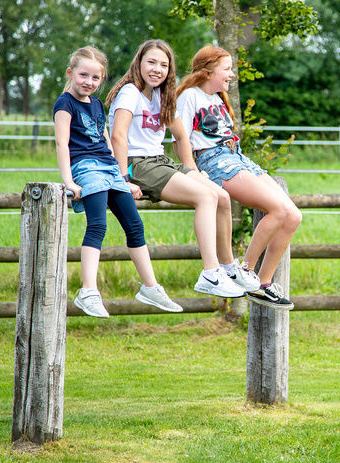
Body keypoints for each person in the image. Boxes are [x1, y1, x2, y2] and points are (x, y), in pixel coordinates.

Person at [106, 39, 260, 299]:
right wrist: (123, 179)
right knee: (205, 196)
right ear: (139, 63)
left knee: (221, 195)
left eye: (163, 65)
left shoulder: (161, 95)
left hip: (159, 160)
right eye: (151, 62)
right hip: (136, 164)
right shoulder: (130, 92)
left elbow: (181, 135)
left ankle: (227, 268)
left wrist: (192, 170)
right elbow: (118, 136)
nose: (157, 69)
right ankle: (210, 273)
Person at [53, 46, 182, 318]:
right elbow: (62, 144)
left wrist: (125, 179)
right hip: (86, 168)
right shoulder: (65, 103)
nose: (88, 82)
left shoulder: (98, 104)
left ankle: (150, 286)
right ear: (70, 73)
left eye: (95, 77)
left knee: (135, 225)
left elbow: (108, 141)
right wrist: (68, 181)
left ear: (102, 79)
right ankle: (88, 290)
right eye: (83, 75)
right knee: (98, 225)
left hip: (110, 168)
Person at [175, 45, 302, 310]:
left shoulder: (219, 98)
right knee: (277, 210)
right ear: (209, 71)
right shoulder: (190, 97)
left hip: (237, 156)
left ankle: (262, 285)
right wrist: (191, 170)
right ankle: (244, 271)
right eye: (227, 69)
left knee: (292, 216)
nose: (231, 74)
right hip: (214, 161)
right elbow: (181, 137)